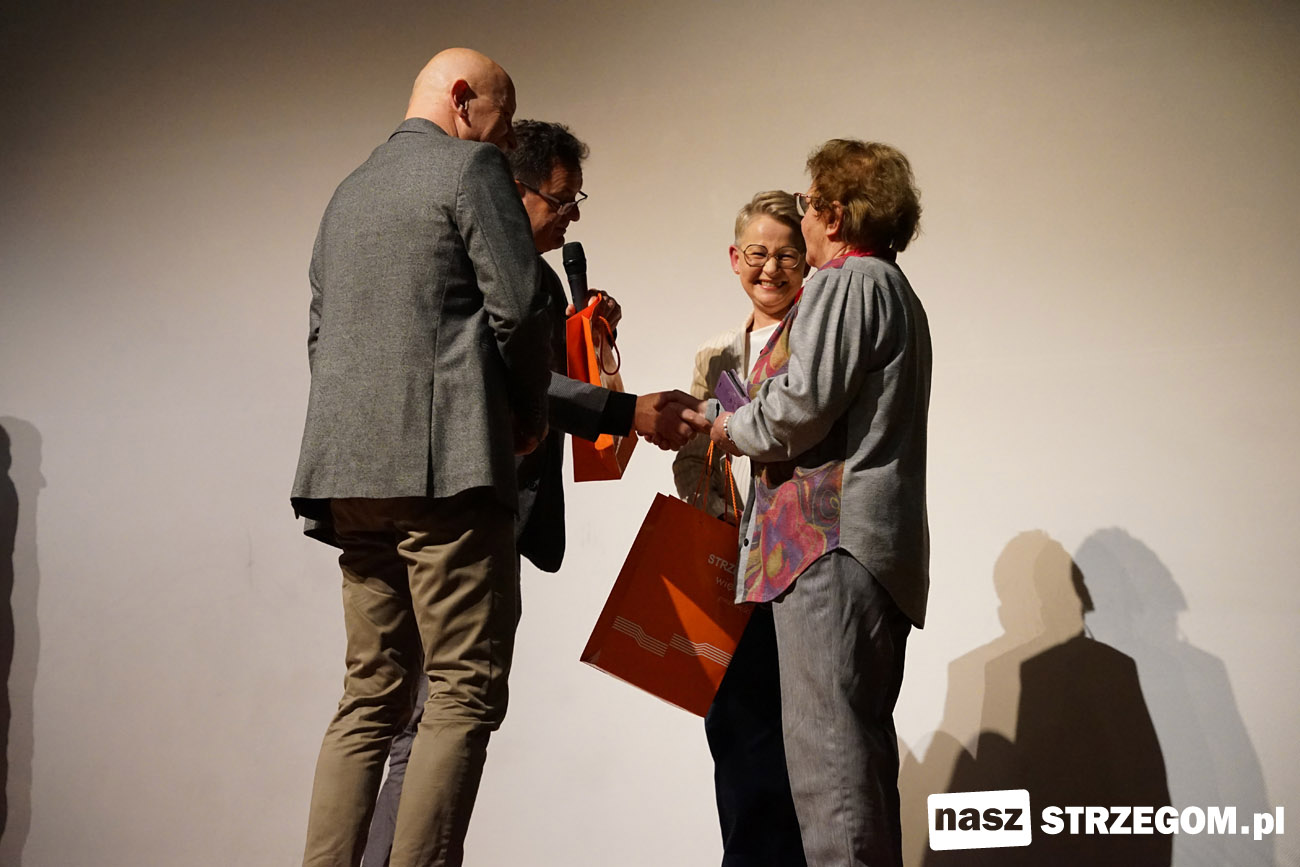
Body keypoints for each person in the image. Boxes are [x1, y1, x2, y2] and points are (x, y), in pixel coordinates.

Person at [358, 119, 705, 867]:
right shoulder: (480, 270)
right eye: (562, 198)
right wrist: (627, 409)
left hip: (457, 514)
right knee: (438, 715)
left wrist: (586, 337)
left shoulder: (533, 279)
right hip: (463, 516)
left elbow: (542, 391)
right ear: (513, 190)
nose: (573, 214)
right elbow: (511, 381)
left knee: (421, 715)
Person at [290, 48, 551, 867]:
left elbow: (322, 335)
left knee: (369, 695)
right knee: (463, 690)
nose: (507, 142)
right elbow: (521, 308)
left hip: (349, 476)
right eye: (505, 122)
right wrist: (527, 415)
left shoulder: (350, 191)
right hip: (447, 474)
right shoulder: (471, 169)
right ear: (464, 99)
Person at [708, 140, 931, 867]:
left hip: (826, 547)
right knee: (855, 757)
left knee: (827, 765)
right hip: (868, 550)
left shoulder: (845, 282)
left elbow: (799, 406)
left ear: (833, 215)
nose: (802, 217)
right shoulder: (894, 288)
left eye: (807, 204)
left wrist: (726, 427)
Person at [673, 191, 809, 865]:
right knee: (734, 730)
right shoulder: (716, 356)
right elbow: (690, 460)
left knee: (800, 736)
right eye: (758, 253)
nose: (771, 269)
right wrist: (716, 511)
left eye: (787, 255)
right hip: (732, 565)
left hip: (800, 562)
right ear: (735, 258)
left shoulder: (814, 346)